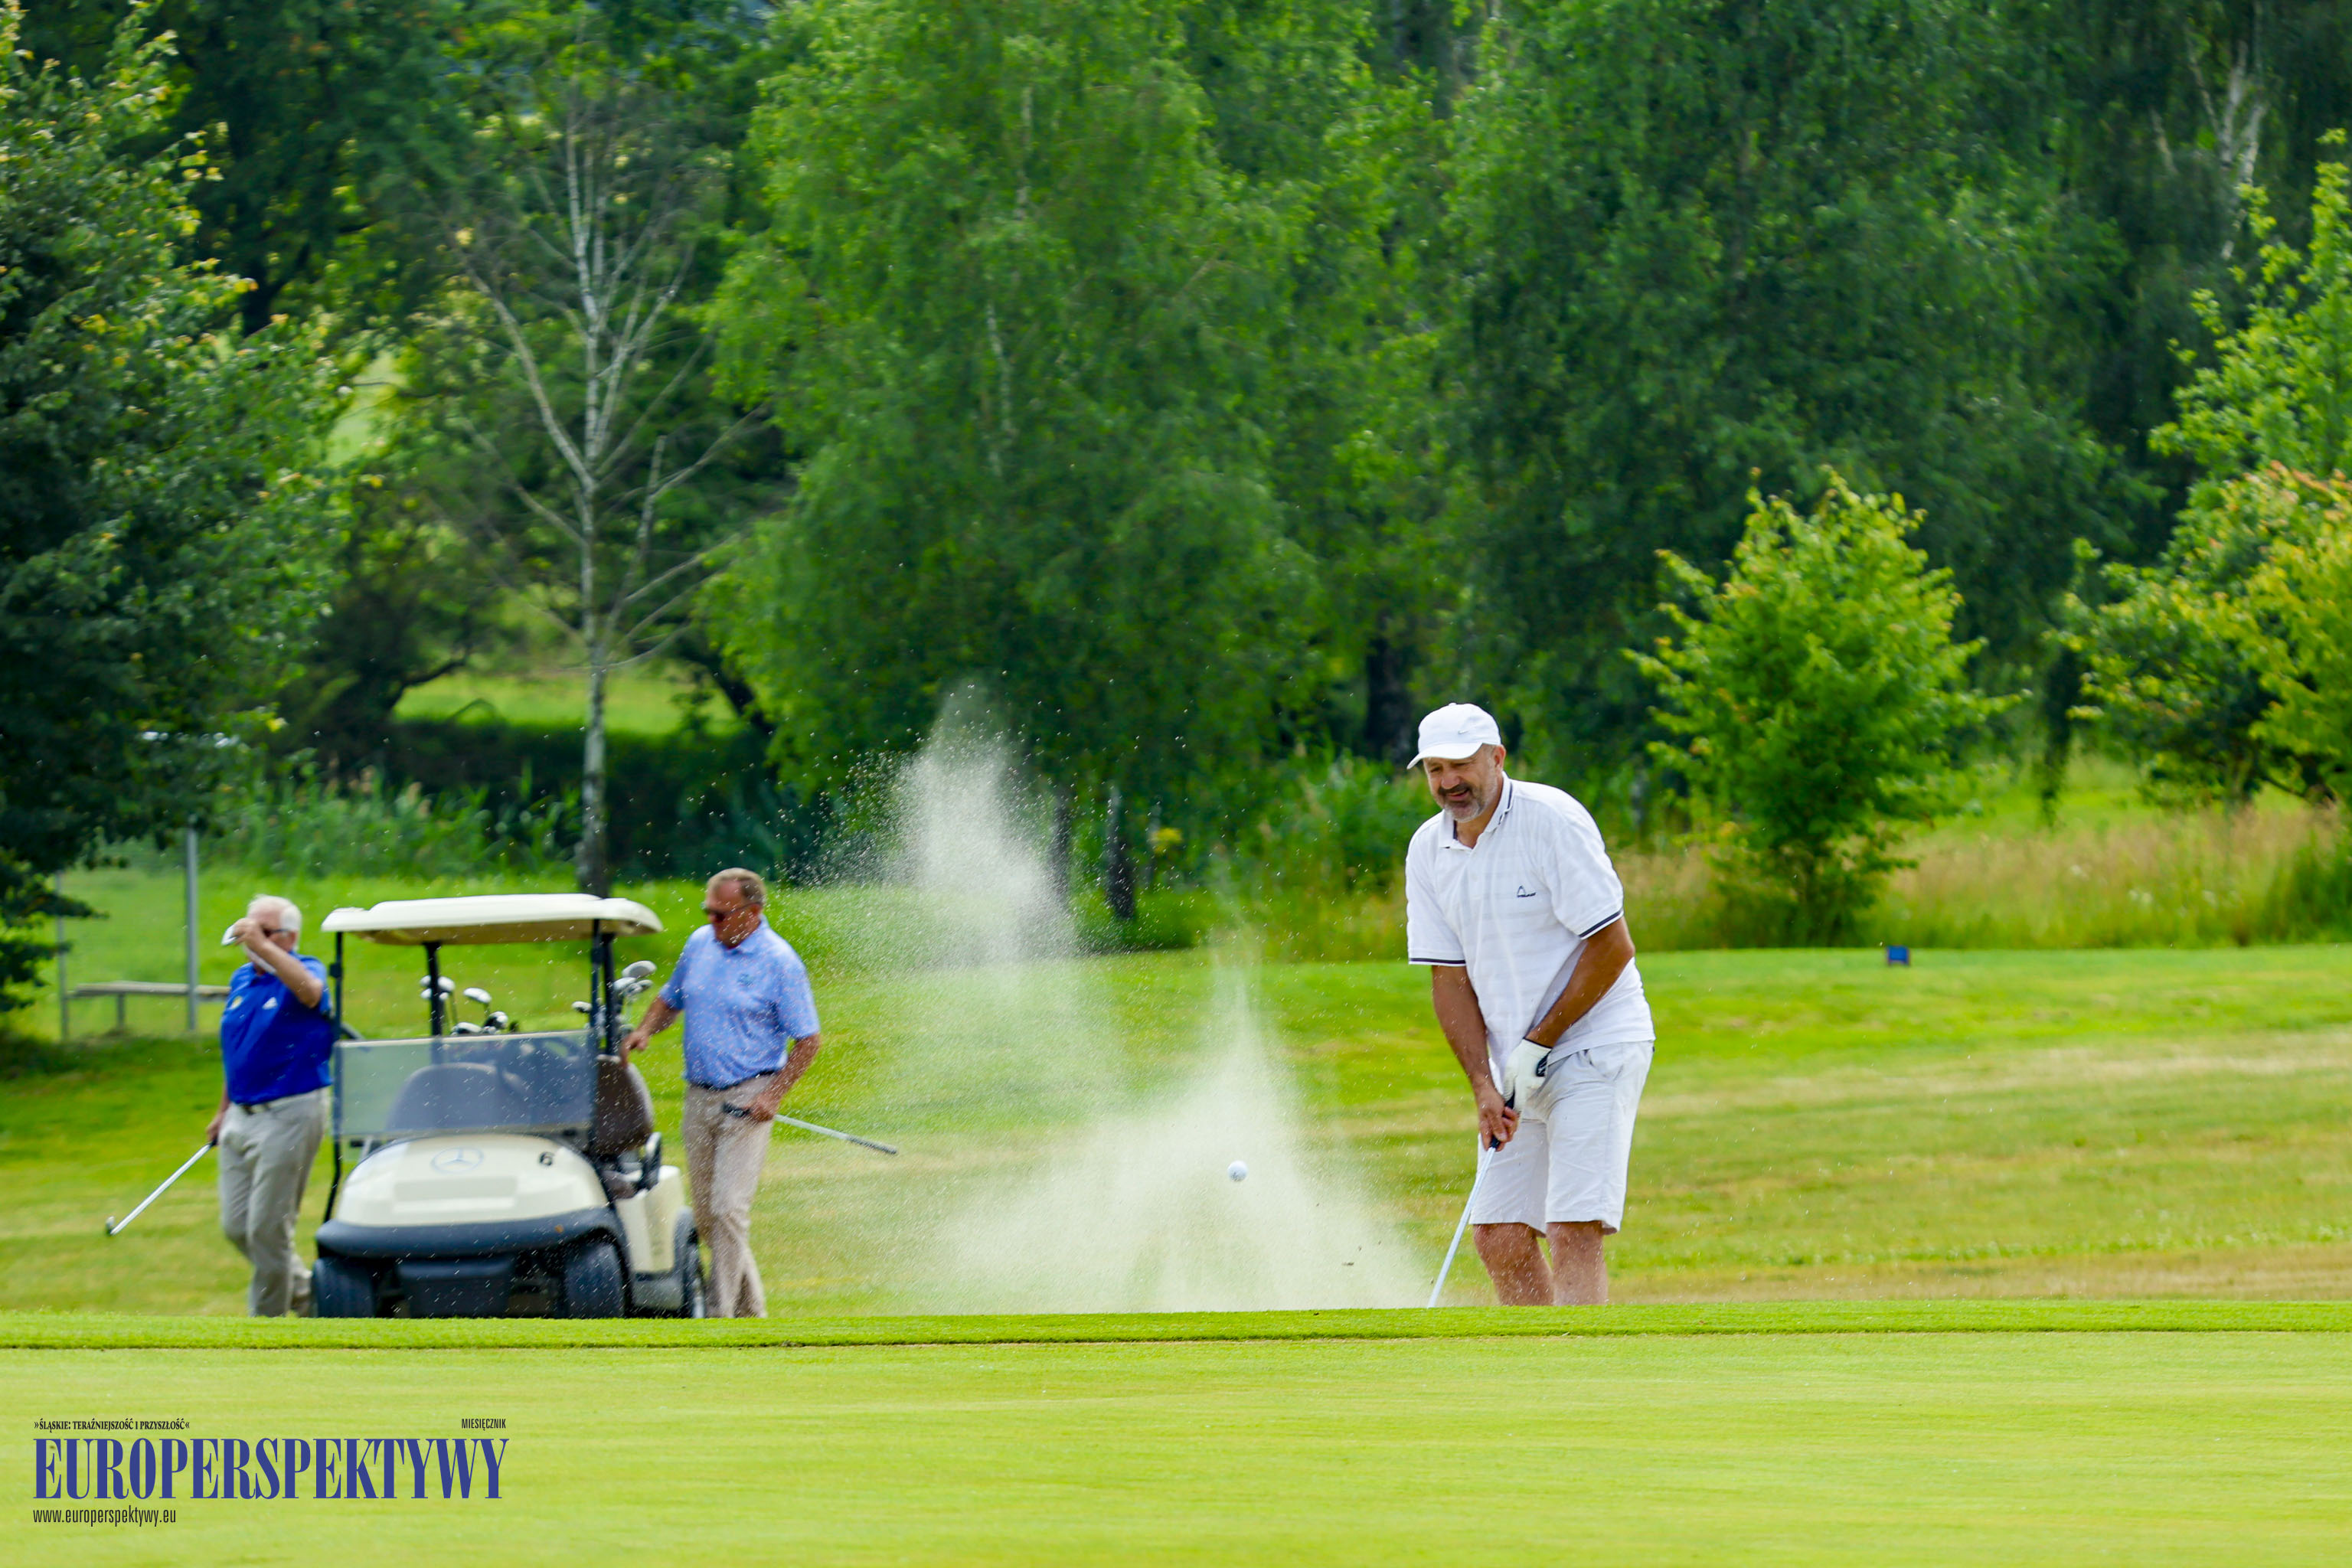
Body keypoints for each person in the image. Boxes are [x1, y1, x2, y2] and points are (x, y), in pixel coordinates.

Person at [1403, 703, 1656, 1305]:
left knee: (1572, 1227)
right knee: (1499, 1236)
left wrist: (1541, 1041)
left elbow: (1613, 946)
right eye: (1435, 769)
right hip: (1513, 1065)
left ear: (1497, 758)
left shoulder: (1552, 820)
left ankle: (1580, 1361)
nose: (1449, 782)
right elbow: (1449, 978)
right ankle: (1538, 1356)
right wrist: (1482, 1085)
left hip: (1595, 1044)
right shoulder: (1428, 849)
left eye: (1461, 765)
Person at [621, 868, 822, 1318]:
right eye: (707, 912)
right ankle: (753, 1316)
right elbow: (670, 998)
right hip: (699, 1097)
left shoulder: (780, 962)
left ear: (753, 912)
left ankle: (719, 1316)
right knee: (710, 1218)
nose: (711, 922)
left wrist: (772, 1096)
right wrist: (645, 1030)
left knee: (729, 1209)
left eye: (721, 914)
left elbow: (808, 1041)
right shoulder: (700, 944)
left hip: (748, 1097)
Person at [207, 895, 335, 1317]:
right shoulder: (242, 980)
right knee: (237, 1227)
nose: (251, 940)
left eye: (265, 932)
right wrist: (223, 1110)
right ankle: (309, 1296)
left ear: (289, 938)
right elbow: (240, 1051)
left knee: (267, 1230)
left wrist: (263, 948)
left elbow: (311, 993)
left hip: (290, 1113)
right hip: (241, 1115)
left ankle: (267, 1326)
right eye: (249, 930)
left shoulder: (306, 969)